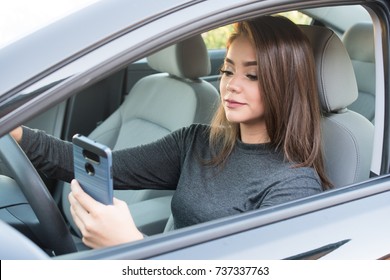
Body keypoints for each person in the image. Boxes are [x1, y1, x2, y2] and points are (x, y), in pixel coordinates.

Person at [10, 15, 332, 249]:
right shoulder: (197, 142)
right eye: (228, 70)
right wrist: (16, 132)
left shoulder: (294, 187)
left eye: (253, 76)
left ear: (285, 84)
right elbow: (90, 164)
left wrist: (131, 245)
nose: (231, 85)